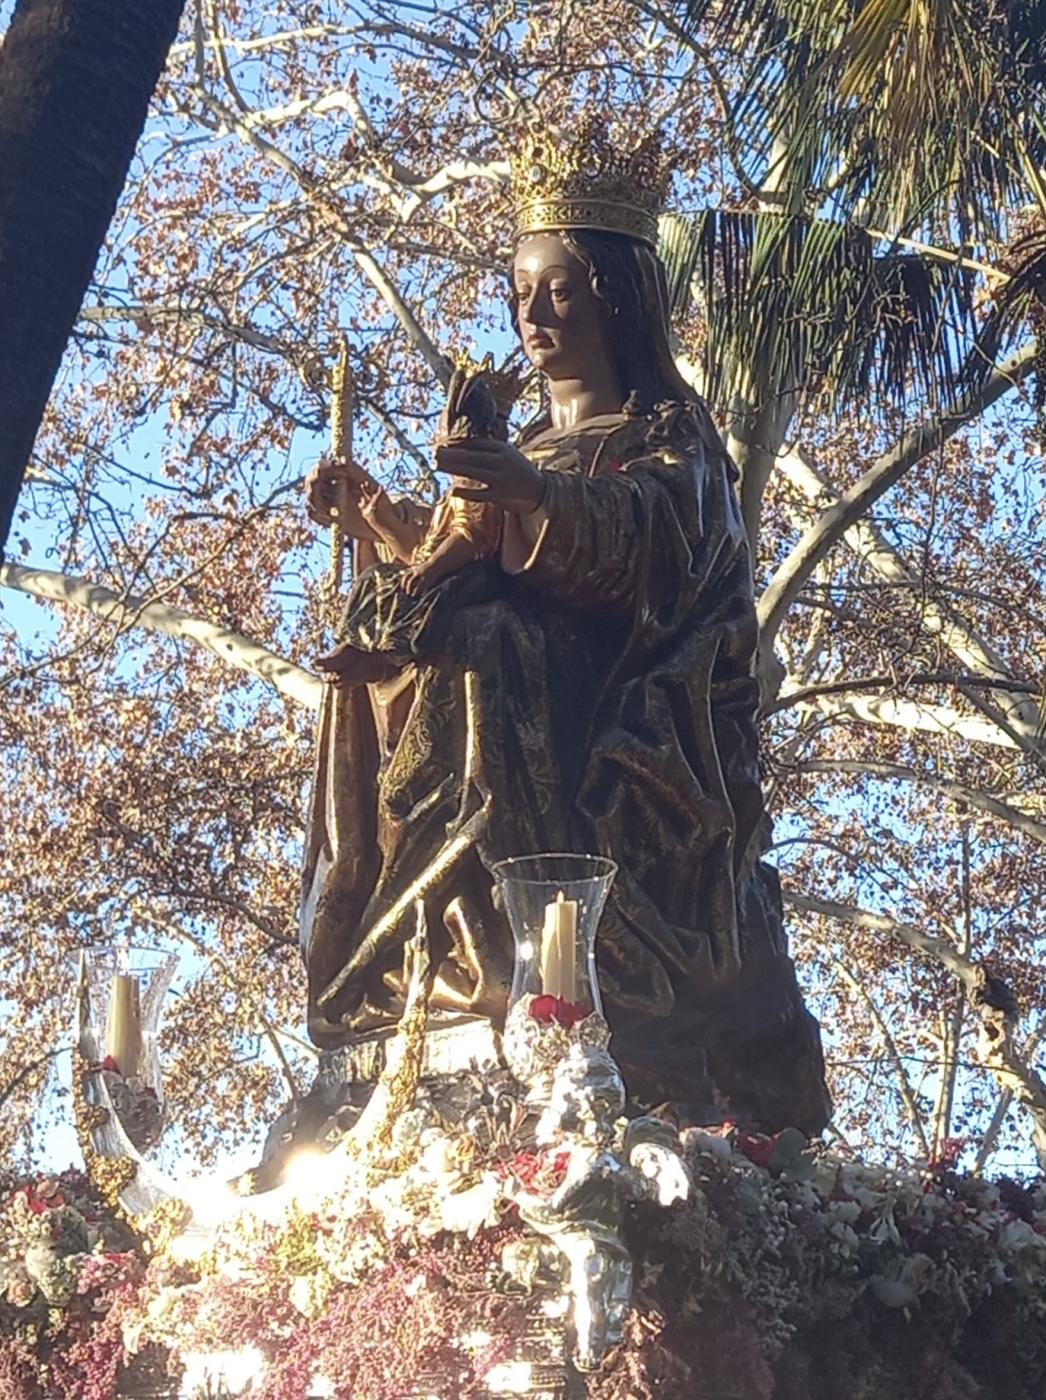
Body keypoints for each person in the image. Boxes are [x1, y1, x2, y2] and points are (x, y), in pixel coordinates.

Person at [301, 121, 830, 1132]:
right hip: (505, 704)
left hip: (633, 724)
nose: (531, 312)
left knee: (492, 642)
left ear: (616, 298)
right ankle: (443, 947)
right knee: (406, 648)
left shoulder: (669, 439)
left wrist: (536, 497)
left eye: (558, 288)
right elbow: (449, 554)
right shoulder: (529, 442)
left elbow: (656, 544)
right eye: (519, 291)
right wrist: (372, 512)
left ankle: (521, 944)